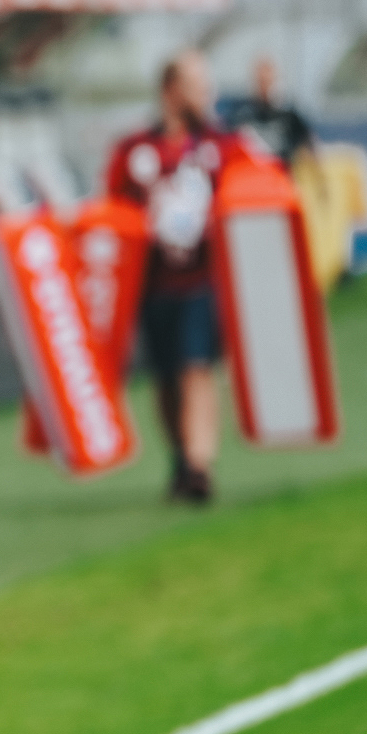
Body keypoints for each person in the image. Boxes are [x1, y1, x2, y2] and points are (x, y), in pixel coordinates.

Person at [104, 50, 250, 505]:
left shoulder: (223, 147)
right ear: (171, 90)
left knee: (196, 368)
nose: (206, 94)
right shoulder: (134, 152)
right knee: (167, 377)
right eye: (196, 84)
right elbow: (111, 213)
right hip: (151, 286)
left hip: (204, 282)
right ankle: (182, 458)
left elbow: (254, 190)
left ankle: (200, 465)